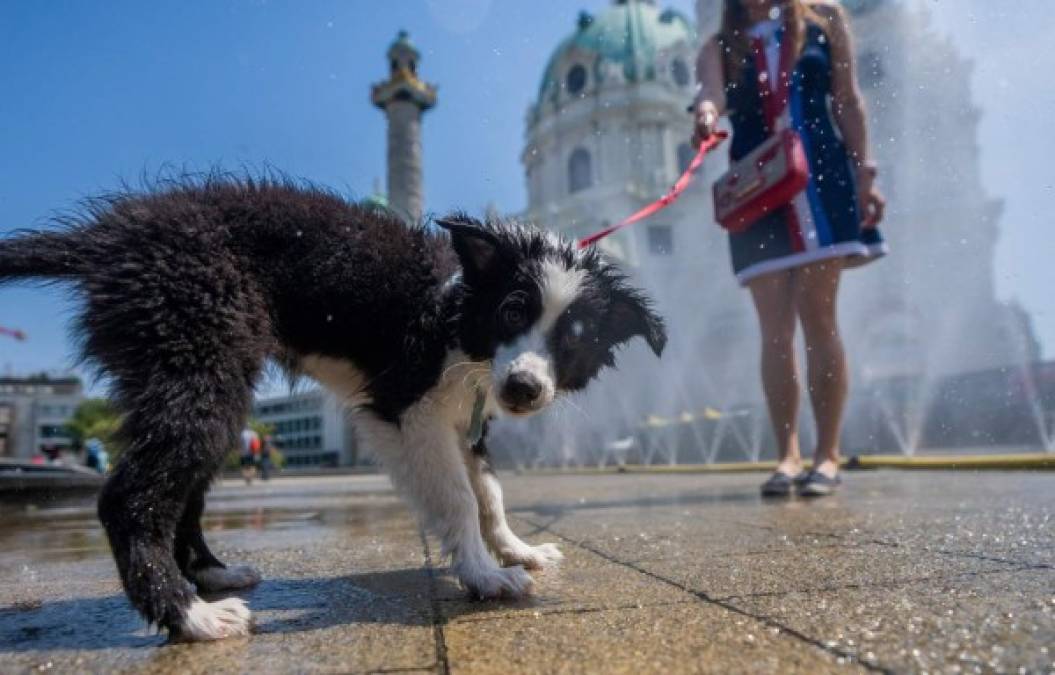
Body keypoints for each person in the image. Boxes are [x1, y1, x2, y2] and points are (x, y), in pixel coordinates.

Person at [692, 0, 886, 496]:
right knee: (774, 331)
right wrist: (707, 113)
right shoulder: (719, 45)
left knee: (819, 317)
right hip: (758, 188)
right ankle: (787, 455)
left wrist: (866, 172)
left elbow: (847, 99)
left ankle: (827, 454)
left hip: (821, 179)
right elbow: (709, 95)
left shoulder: (826, 19)